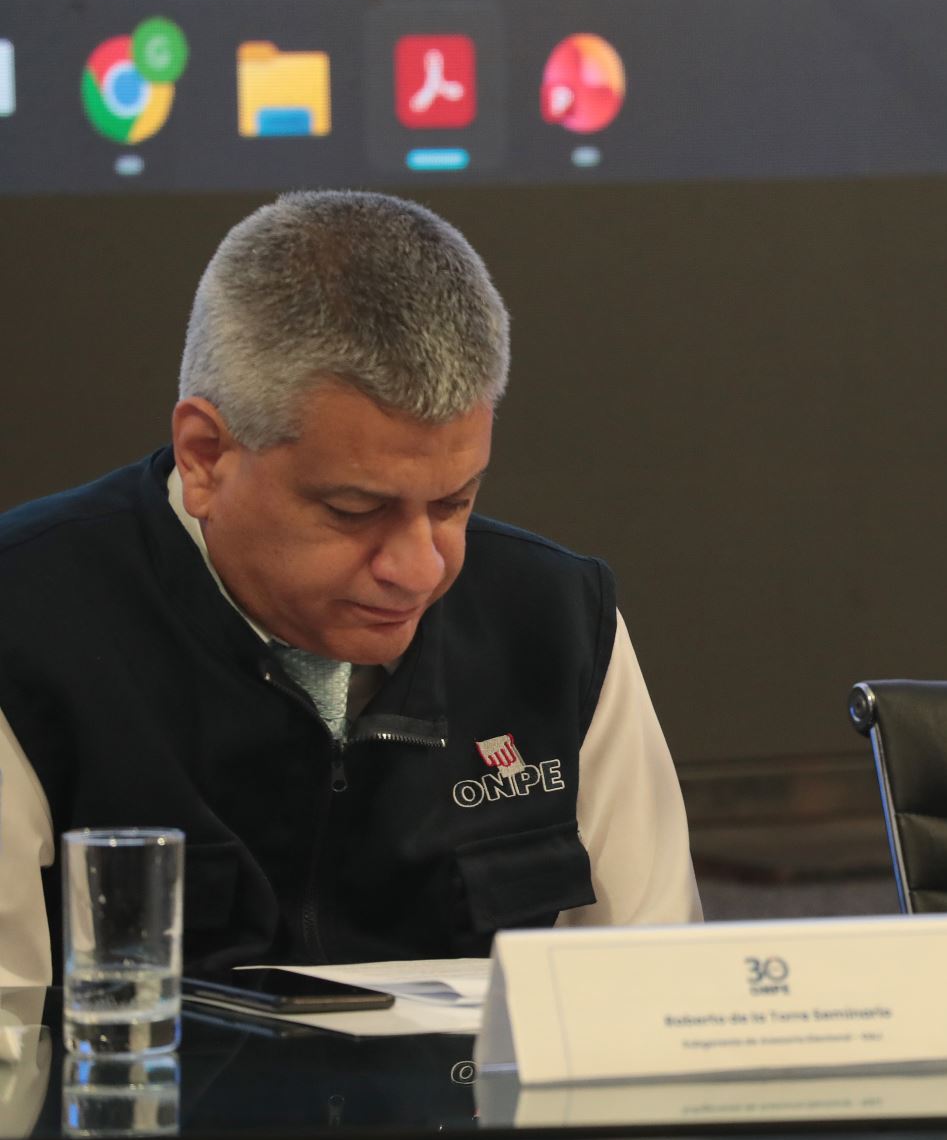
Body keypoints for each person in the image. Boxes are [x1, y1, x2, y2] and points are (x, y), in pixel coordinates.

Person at [0, 191, 700, 986]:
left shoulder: (560, 620)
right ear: (204, 455)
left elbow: (659, 1002)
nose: (420, 569)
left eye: (454, 504)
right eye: (355, 511)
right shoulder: (25, 625)